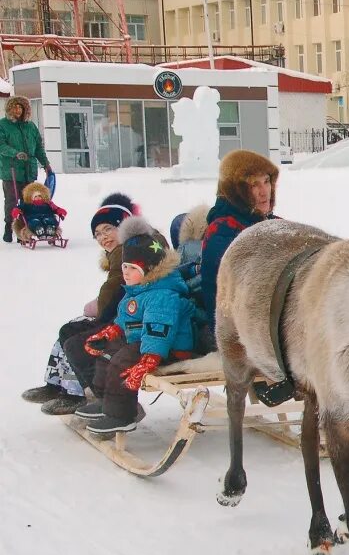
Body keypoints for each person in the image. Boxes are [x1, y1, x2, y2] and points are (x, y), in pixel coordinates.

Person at [74, 216, 197, 435]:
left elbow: (158, 331)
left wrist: (150, 358)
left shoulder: (162, 295)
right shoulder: (138, 291)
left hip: (169, 349)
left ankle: (121, 415)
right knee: (107, 352)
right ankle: (106, 402)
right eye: (123, 267)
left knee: (120, 360)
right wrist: (112, 332)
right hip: (145, 341)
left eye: (131, 267)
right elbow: (125, 318)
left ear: (149, 269)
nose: (125, 272)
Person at [21, 193, 137, 415]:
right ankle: (59, 385)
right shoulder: (120, 252)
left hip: (124, 321)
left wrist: (98, 309)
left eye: (108, 229)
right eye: (97, 234)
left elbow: (113, 290)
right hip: (119, 315)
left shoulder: (125, 252)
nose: (103, 237)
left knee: (74, 336)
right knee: (69, 329)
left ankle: (76, 393)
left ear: (122, 227)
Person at [199, 150, 279, 347]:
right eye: (254, 185)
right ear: (236, 191)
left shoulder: (274, 224)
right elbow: (230, 297)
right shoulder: (222, 230)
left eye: (267, 181)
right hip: (239, 338)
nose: (264, 192)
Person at [1, 95, 53, 243]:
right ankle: (9, 227)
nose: (18, 110)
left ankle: (25, 228)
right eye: (15, 107)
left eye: (20, 107)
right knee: (12, 201)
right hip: (11, 171)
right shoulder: (3, 125)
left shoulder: (31, 127)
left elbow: (38, 149)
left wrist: (46, 164)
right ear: (10, 109)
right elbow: (1, 145)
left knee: (29, 202)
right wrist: (15, 153)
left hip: (29, 171)